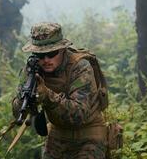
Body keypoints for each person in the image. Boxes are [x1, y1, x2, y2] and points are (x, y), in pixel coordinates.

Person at [12, 22, 108, 159]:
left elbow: (78, 115)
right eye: (40, 55)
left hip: (88, 136)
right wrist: (25, 99)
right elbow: (17, 113)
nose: (46, 60)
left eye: (51, 53)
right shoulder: (32, 69)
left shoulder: (80, 67)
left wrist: (47, 95)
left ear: (62, 49)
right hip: (57, 135)